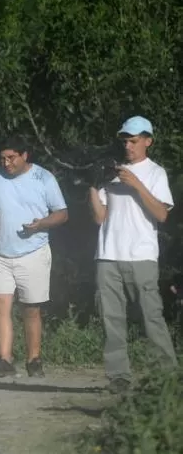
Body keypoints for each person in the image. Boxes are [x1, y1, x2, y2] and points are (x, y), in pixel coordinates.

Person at [89, 116, 178, 394]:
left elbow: (162, 214)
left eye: (134, 140)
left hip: (141, 255)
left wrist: (136, 185)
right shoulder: (113, 172)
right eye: (125, 140)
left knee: (152, 316)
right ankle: (119, 377)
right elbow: (99, 217)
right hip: (108, 254)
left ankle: (167, 377)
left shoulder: (156, 173)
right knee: (112, 318)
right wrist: (92, 186)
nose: (128, 145)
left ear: (148, 141)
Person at [0, 139, 68, 377]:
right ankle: (4, 360)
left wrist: (41, 224)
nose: (6, 163)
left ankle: (34, 359)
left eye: (11, 157)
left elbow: (62, 213)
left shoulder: (43, 178)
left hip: (33, 251)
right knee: (0, 304)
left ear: (25, 155)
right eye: (2, 158)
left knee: (31, 308)